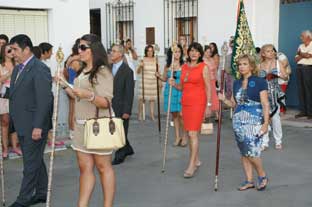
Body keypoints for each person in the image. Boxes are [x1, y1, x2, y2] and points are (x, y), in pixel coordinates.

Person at [58, 34, 115, 207]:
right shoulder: (83, 71)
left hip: (97, 126)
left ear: (94, 50)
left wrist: (89, 95)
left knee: (103, 167)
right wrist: (63, 84)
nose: (79, 51)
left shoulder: (102, 71)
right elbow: (77, 96)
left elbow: (106, 102)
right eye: (78, 48)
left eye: (83, 48)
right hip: (81, 126)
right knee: (85, 169)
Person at [9, 34, 53, 207]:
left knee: (30, 163)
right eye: (11, 50)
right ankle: (42, 192)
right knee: (34, 159)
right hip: (21, 123)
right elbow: (19, 94)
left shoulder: (39, 68)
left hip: (34, 125)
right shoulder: (18, 69)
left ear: (27, 49)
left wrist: (38, 126)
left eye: (16, 50)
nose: (13, 53)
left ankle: (24, 198)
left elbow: (44, 100)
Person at [218, 54, 270, 191]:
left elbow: (265, 104)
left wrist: (265, 123)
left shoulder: (260, 81)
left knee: (252, 151)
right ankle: (249, 180)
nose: (241, 67)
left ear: (251, 66)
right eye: (240, 64)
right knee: (243, 152)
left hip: (254, 120)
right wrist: (223, 99)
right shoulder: (236, 83)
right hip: (238, 121)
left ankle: (262, 176)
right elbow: (234, 104)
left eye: (245, 64)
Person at [169, 42, 212, 178]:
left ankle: (192, 164)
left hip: (198, 104)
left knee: (193, 134)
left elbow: (208, 87)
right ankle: (197, 159)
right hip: (185, 103)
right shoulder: (184, 67)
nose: (193, 53)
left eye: (196, 51)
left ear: (200, 54)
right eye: (191, 51)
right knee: (189, 133)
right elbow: (182, 87)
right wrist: (173, 84)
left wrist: (208, 105)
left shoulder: (203, 67)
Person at [155, 44, 187, 147]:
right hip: (170, 91)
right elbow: (165, 78)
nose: (177, 54)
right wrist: (159, 76)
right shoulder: (167, 66)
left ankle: (184, 136)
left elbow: (186, 79)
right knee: (175, 116)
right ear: (171, 53)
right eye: (175, 52)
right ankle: (177, 137)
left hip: (180, 90)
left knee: (182, 115)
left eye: (178, 51)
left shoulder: (184, 65)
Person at [259, 44, 287, 150]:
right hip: (263, 94)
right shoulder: (260, 65)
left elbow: (285, 76)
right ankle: (264, 142)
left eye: (272, 51)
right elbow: (257, 80)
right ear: (263, 54)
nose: (271, 53)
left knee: (275, 118)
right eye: (268, 51)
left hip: (275, 93)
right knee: (264, 117)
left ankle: (278, 140)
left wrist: (281, 75)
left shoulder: (278, 63)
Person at [110, 44, 135, 165]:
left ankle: (120, 155)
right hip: (109, 105)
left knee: (120, 130)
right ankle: (128, 148)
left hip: (121, 106)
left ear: (120, 54)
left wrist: (127, 110)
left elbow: (129, 92)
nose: (111, 53)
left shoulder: (127, 71)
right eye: (111, 51)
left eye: (114, 51)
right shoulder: (107, 68)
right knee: (117, 130)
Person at [0, 44, 22, 159]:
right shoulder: (1, 65)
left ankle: (15, 146)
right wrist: (9, 73)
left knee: (15, 122)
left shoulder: (18, 64)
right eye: (9, 50)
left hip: (17, 95)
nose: (11, 52)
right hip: (4, 95)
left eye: (13, 49)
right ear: (4, 52)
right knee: (5, 122)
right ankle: (5, 149)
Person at [63, 38, 82, 139]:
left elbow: (65, 71)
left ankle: (71, 131)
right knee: (75, 110)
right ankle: (73, 132)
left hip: (69, 84)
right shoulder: (77, 60)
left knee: (71, 109)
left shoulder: (70, 58)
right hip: (74, 86)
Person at [137, 45, 159, 120]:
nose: (150, 52)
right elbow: (138, 71)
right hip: (145, 81)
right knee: (142, 99)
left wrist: (159, 80)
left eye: (151, 51)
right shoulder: (143, 59)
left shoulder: (156, 59)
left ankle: (152, 114)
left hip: (153, 82)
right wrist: (140, 66)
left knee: (152, 99)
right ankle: (140, 114)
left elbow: (158, 71)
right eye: (148, 51)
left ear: (153, 52)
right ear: (146, 52)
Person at [294, 30, 312, 119]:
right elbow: (296, 59)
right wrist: (303, 55)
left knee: (308, 89)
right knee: (301, 89)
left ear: (308, 37)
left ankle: (310, 112)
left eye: (302, 36)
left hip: (308, 68)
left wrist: (300, 54)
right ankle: (303, 111)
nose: (300, 38)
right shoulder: (300, 46)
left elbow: (309, 56)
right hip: (299, 67)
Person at [204, 45, 220, 121]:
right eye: (206, 52)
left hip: (212, 80)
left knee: (214, 97)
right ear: (204, 52)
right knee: (205, 97)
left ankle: (217, 115)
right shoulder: (202, 61)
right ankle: (204, 115)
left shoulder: (212, 60)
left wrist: (217, 79)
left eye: (209, 52)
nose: (208, 53)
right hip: (205, 81)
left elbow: (215, 70)